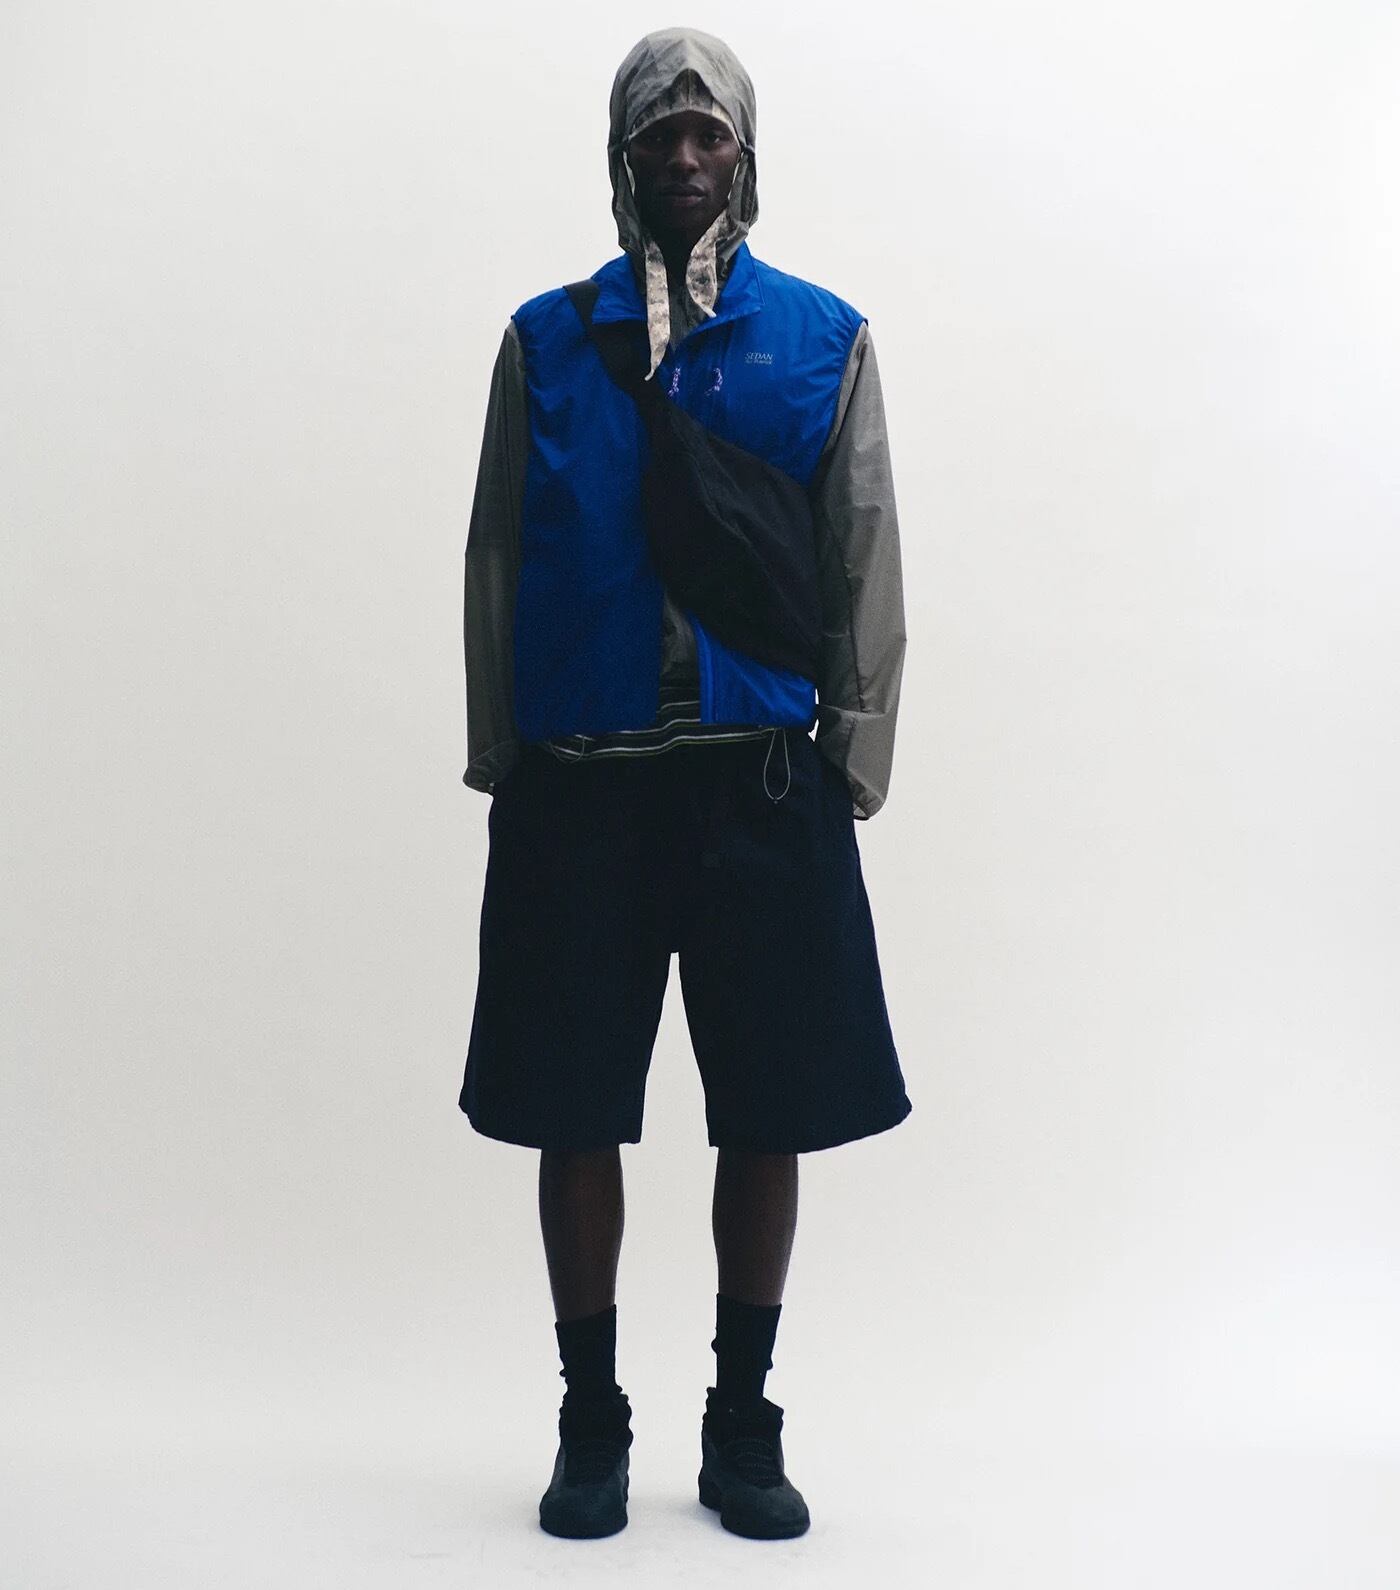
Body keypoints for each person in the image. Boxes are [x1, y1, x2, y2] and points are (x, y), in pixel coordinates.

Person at [458, 26, 911, 1541]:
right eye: (660, 132)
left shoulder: (821, 338)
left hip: (760, 778)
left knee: (767, 1104)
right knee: (570, 1104)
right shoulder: (545, 341)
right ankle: (591, 1418)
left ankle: (742, 1420)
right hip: (581, 779)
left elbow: (863, 546)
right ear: (622, 154)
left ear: (748, 152)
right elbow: (499, 549)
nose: (686, 154)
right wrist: (504, 750)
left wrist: (854, 752)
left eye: (710, 131)